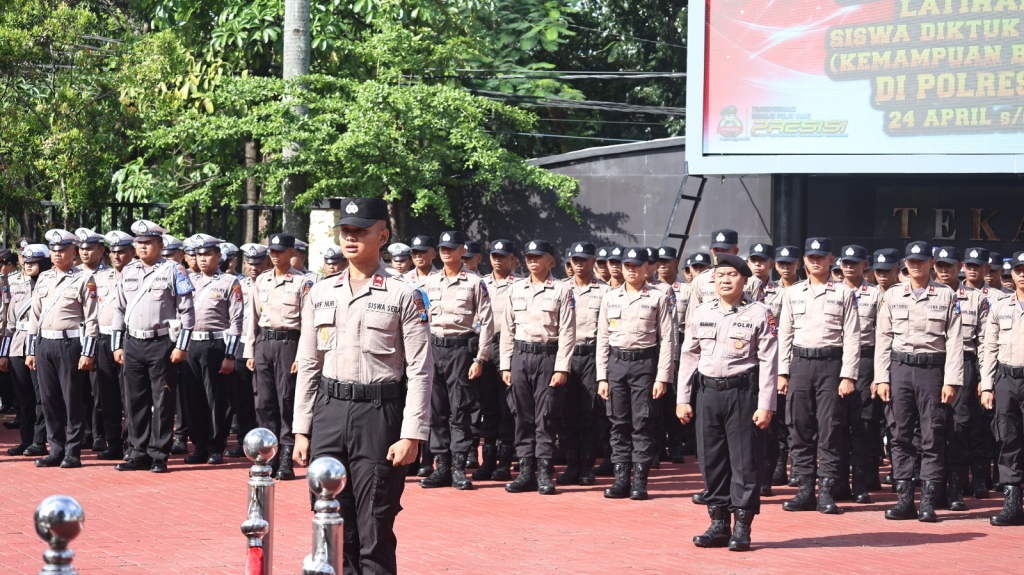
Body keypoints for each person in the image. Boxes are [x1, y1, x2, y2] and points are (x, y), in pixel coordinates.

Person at [293, 196, 432, 574]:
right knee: (331, 521)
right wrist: (301, 430)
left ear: (382, 236)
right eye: (346, 231)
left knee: (375, 525)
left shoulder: (405, 294)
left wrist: (412, 434)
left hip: (378, 415)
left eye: (361, 231)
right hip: (329, 413)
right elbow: (308, 364)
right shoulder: (320, 292)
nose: (351, 238)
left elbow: (421, 369)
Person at [677, 253, 777, 551]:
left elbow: (769, 361)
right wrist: (683, 398)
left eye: (731, 275)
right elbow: (688, 356)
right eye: (719, 275)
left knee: (744, 461)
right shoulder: (702, 312)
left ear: (745, 279)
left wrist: (766, 404)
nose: (724, 280)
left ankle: (742, 527)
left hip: (743, 394)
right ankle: (719, 523)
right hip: (707, 393)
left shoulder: (760, 313)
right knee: (711, 460)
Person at [875, 241, 964, 522]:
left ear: (931, 264)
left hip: (932, 371)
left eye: (921, 261)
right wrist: (881, 377)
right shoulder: (893, 294)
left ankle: (928, 501)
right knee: (900, 435)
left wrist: (951, 380)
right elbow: (883, 338)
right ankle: (904, 500)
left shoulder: (947, 295)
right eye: (911, 261)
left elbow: (955, 341)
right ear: (905, 263)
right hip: (899, 369)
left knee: (933, 435)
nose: (916, 265)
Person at [777, 237, 860, 514]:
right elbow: (785, 335)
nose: (816, 261)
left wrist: (848, 375)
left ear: (831, 259)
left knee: (830, 428)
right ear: (804, 261)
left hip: (831, 365)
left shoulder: (844, 293)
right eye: (811, 257)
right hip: (800, 364)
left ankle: (826, 491)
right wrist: (782, 372)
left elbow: (852, 337)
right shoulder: (793, 293)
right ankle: (804, 490)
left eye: (821, 257)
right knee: (799, 427)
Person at [110, 220, 195, 473]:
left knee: (162, 399)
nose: (143, 247)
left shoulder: (174, 270)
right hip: (133, 342)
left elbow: (187, 312)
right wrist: (117, 345)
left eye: (148, 243)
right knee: (134, 400)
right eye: (139, 243)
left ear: (160, 244)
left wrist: (182, 346)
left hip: (161, 343)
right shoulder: (128, 270)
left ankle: (159, 453)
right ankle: (138, 452)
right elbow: (119, 309)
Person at [596, 247, 674, 500]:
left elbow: (668, 340)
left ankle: (640, 480)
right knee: (618, 423)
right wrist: (602, 376)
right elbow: (603, 339)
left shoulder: (658, 297)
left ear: (646, 269)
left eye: (636, 265)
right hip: (616, 365)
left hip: (644, 366)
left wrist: (662, 377)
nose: (630, 269)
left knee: (642, 423)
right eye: (626, 265)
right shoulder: (610, 297)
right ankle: (621, 479)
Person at [419, 230, 494, 491]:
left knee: (459, 410)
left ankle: (459, 468)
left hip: (461, 352)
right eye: (442, 248)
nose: (446, 252)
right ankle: (441, 467)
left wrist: (480, 358)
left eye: (451, 248)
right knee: (436, 411)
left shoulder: (475, 282)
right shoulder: (431, 282)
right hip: (434, 350)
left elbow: (486, 322)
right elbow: (422, 318)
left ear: (463, 250)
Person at [500, 239, 576, 495]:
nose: (533, 261)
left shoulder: (562, 290)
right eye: (529, 257)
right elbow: (507, 330)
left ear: (550, 261)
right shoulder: (516, 288)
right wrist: (505, 364)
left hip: (547, 357)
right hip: (520, 357)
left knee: (546, 416)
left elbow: (567, 332)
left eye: (538, 257)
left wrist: (562, 367)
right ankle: (525, 472)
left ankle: (544, 472)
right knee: (521, 416)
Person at [24, 229, 99, 469]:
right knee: (48, 400)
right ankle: (55, 449)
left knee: (72, 399)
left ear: (73, 252)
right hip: (44, 343)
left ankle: (73, 452)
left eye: (63, 250)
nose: (57, 254)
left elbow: (92, 319)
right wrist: (30, 350)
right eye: (54, 250)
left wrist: (88, 352)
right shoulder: (44, 278)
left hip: (69, 344)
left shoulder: (84, 279)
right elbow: (34, 316)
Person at [242, 233, 311, 480]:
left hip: (288, 344)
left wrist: (301, 356)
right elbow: (252, 317)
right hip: (264, 343)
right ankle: (266, 455)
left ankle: (286, 459)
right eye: (272, 250)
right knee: (263, 402)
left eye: (280, 251)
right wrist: (250, 350)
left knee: (286, 401)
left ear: (292, 252)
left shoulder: (303, 283)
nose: (274, 255)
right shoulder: (261, 280)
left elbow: (308, 323)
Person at [179, 234, 243, 465]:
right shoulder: (188, 280)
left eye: (208, 254)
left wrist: (230, 355)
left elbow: (236, 321)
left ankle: (216, 446)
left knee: (216, 399)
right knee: (193, 399)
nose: (203, 259)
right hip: (190, 344)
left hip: (215, 345)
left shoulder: (229, 282)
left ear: (219, 256)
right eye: (199, 255)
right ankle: (199, 446)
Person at [557, 242, 611, 486]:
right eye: (574, 260)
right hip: (565, 357)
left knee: (590, 414)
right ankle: (571, 465)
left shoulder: (606, 291)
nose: (578, 264)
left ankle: (587, 467)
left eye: (583, 260)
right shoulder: (560, 288)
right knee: (567, 414)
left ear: (592, 261)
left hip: (591, 355)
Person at [980, 251, 1024, 526]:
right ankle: (1012, 505)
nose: (1022, 274)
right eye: (1018, 269)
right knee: (1008, 441)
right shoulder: (1000, 306)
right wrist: (987, 386)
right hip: (1007, 379)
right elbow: (988, 348)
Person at [838, 244, 885, 503]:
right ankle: (840, 482)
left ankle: (862, 482)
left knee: (865, 424)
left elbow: (882, 335)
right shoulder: (831, 292)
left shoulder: (876, 295)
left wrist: (879, 375)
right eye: (845, 262)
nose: (849, 267)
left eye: (855, 263)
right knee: (838, 423)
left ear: (865, 265)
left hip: (867, 361)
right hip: (840, 362)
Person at [473, 239, 520, 482]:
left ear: (512, 258)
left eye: (503, 255)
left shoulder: (520, 285)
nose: (498, 260)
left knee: (507, 407)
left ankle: (504, 462)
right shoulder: (481, 283)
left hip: (509, 347)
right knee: (488, 406)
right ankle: (487, 461)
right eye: (494, 255)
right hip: (486, 346)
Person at [961, 247, 1005, 497]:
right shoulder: (952, 294)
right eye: (969, 265)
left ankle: (980, 479)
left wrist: (985, 378)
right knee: (960, 426)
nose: (974, 269)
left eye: (978, 265)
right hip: (962, 365)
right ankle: (961, 479)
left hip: (990, 367)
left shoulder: (1000, 297)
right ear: (963, 267)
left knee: (983, 427)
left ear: (988, 268)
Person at [0, 244, 50, 457]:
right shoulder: (13, 282)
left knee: (42, 397)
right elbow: (9, 323)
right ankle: (26, 440)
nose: (28, 265)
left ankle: (39, 441)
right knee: (23, 397)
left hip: (40, 342)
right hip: (18, 343)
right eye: (25, 261)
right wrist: (4, 353)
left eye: (33, 262)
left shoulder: (50, 282)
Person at [747, 243, 786, 494]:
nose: (758, 264)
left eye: (763, 260)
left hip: (772, 364)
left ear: (772, 264)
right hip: (745, 365)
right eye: (754, 260)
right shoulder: (738, 290)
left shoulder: (784, 293)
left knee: (771, 425)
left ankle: (767, 478)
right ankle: (748, 475)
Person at [226, 243, 268, 458]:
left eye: (258, 263)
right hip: (241, 344)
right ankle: (245, 442)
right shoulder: (238, 284)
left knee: (264, 398)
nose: (254, 268)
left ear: (266, 263)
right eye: (250, 264)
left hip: (264, 344)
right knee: (242, 398)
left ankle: (266, 443)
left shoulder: (270, 283)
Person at [75, 228, 109, 452]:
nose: (85, 252)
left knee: (99, 390)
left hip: (99, 337)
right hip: (73, 339)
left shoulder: (109, 274)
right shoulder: (72, 273)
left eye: (90, 248)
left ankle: (99, 434)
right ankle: (83, 433)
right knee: (77, 390)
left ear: (101, 250)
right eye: (82, 248)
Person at [657, 246, 691, 464]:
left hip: (680, 347)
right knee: (658, 400)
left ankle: (676, 445)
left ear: (675, 264)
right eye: (658, 262)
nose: (661, 265)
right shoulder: (652, 289)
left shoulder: (687, 290)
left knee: (676, 399)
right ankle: (659, 446)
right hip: (658, 349)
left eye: (666, 261)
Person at [687, 230, 762, 314]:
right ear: (711, 251)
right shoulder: (700, 280)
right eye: (716, 250)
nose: (720, 254)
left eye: (724, 250)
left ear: (735, 251)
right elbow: (693, 317)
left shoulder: (752, 281)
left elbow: (757, 314)